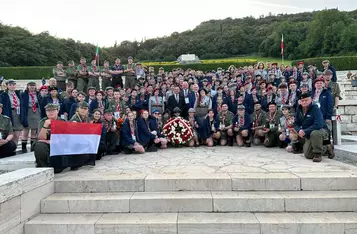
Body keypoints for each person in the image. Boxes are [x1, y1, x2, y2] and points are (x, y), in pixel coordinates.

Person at [290, 93, 334, 162]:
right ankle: (327, 147)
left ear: (311, 100)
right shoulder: (299, 109)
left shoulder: (315, 108)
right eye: (302, 101)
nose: (304, 102)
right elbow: (295, 123)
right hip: (309, 134)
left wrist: (305, 131)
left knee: (315, 133)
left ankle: (318, 154)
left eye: (306, 100)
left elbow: (318, 124)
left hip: (321, 131)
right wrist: (299, 131)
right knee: (308, 155)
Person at [33, 103, 66, 173]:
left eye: (53, 110)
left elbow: (65, 138)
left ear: (57, 111)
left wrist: (52, 141)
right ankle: (42, 166)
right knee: (39, 145)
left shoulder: (63, 122)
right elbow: (41, 138)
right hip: (46, 145)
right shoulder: (42, 122)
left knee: (58, 169)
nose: (50, 112)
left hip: (58, 145)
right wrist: (45, 126)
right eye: (48, 111)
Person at [0, 79, 23, 147]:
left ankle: (14, 147)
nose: (12, 86)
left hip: (18, 114)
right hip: (9, 113)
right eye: (10, 85)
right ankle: (9, 148)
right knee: (10, 133)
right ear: (7, 86)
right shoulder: (3, 95)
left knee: (17, 134)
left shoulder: (18, 93)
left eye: (13, 85)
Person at [21, 81, 41, 153]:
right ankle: (23, 147)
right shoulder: (24, 94)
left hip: (36, 112)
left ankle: (33, 147)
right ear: (28, 86)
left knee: (34, 130)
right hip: (28, 112)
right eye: (30, 86)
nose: (32, 87)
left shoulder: (38, 94)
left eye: (33, 86)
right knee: (25, 130)